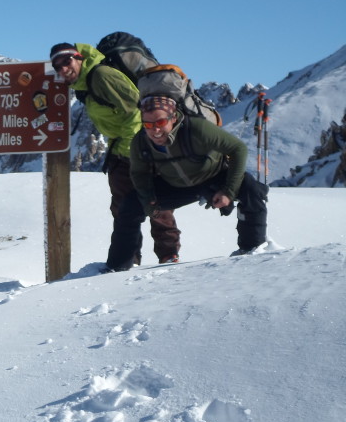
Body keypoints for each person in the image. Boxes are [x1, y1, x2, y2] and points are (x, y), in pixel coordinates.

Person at [49, 43, 181, 267]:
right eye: (57, 66)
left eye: (66, 61)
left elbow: (135, 109)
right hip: (120, 151)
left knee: (154, 201)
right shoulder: (85, 85)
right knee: (123, 208)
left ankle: (168, 256)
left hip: (139, 149)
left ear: (78, 58)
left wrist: (134, 149)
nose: (63, 69)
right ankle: (129, 259)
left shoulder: (101, 75)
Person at [105, 95, 268, 271]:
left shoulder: (197, 129)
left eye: (160, 123)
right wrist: (147, 200)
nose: (154, 130)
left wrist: (229, 191)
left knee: (250, 188)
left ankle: (252, 249)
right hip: (174, 186)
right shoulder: (140, 142)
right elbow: (139, 173)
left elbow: (238, 149)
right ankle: (117, 266)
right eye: (148, 125)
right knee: (130, 204)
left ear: (173, 117)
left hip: (212, 178)